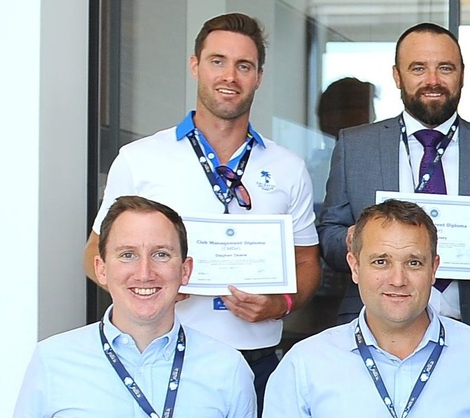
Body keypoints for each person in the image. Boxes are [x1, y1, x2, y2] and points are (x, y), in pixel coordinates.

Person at [81, 13, 320, 401]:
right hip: (156, 356)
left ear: (258, 76)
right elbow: (94, 253)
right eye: (217, 61)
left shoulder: (288, 167)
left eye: (244, 66)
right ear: (195, 66)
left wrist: (281, 303)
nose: (230, 76)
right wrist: (149, 284)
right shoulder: (140, 159)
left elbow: (308, 262)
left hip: (255, 361)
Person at [317, 22, 470, 375]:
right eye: (418, 68)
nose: (432, 80)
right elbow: (328, 236)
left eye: (445, 68)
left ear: (462, 75)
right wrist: (348, 239)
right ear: (397, 75)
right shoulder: (356, 146)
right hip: (374, 334)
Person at [266, 200, 470, 417]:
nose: (398, 280)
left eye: (413, 262)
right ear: (354, 267)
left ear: (433, 269)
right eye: (381, 262)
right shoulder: (304, 364)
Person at [20, 196, 256, 417]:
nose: (145, 273)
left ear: (185, 271)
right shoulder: (52, 361)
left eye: (161, 254)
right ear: (101, 269)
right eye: (127, 255)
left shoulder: (229, 369)